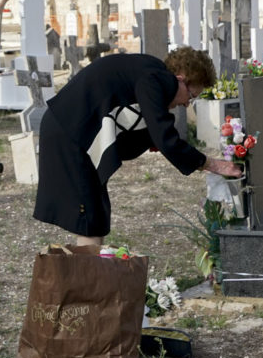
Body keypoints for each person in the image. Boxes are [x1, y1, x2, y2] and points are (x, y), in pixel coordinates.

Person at [33, 46, 242, 245]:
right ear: (180, 79)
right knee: (89, 219)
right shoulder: (158, 79)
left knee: (95, 215)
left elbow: (141, 123)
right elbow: (165, 138)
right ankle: (86, 279)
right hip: (70, 136)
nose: (187, 104)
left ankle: (88, 276)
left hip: (68, 130)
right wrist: (212, 164)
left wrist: (150, 139)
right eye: (191, 96)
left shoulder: (149, 72)